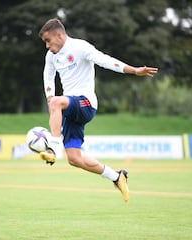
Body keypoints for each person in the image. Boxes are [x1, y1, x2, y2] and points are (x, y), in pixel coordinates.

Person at [38, 18, 158, 202]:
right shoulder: (51, 56)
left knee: (56, 102)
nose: (47, 46)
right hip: (71, 109)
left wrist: (134, 70)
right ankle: (117, 177)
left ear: (59, 35)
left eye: (48, 41)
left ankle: (53, 148)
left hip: (86, 103)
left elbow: (105, 61)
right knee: (74, 159)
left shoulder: (80, 47)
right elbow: (48, 77)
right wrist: (49, 98)